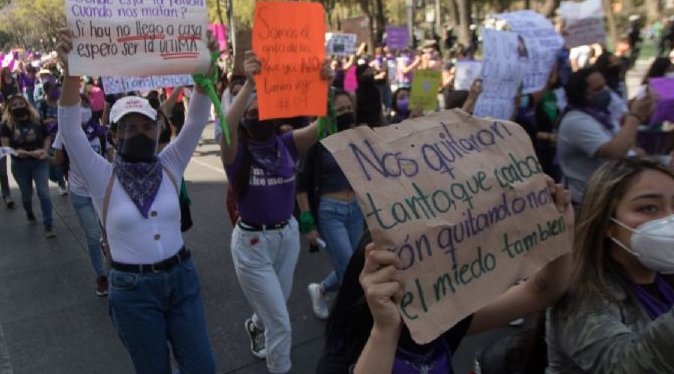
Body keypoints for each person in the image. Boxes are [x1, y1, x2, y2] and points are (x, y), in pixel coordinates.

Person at [57, 28, 216, 373]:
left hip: (182, 279)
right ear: (113, 135)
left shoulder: (171, 163)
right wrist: (70, 73)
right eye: (128, 128)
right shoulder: (102, 175)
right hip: (133, 292)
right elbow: (69, 131)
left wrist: (205, 70)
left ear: (159, 130)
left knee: (203, 367)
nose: (139, 133)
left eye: (146, 126)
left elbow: (197, 120)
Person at [317, 181, 574, 373]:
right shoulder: (340, 361)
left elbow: (540, 292)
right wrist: (385, 330)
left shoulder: (440, 323)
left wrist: (562, 232)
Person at [221, 51, 332, 373]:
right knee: (281, 323)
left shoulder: (286, 143)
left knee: (275, 308)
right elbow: (227, 125)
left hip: (287, 237)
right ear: (244, 118)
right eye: (250, 112)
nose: (256, 115)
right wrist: (250, 85)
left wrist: (325, 87)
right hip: (252, 245)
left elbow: (320, 128)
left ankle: (256, 325)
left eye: (261, 109)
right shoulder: (237, 153)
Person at [546, 158, 674, 373]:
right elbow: (625, 366)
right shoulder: (580, 297)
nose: (669, 219)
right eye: (649, 208)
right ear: (608, 224)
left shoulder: (664, 277)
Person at [297, 89, 363, 321]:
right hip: (330, 212)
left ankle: (322, 289)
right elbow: (301, 183)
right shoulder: (317, 140)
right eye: (340, 110)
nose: (346, 113)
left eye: (349, 108)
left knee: (356, 265)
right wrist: (308, 223)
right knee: (349, 271)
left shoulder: (356, 135)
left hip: (355, 210)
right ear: (329, 113)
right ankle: (347, 322)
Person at [556, 68, 654, 205]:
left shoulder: (601, 114)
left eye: (605, 86)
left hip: (609, 195)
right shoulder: (576, 122)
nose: (605, 92)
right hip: (588, 203)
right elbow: (615, 152)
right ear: (581, 95)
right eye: (598, 89)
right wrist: (635, 116)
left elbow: (623, 140)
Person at [50, 99, 112, 296]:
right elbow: (58, 159)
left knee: (111, 235)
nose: (82, 110)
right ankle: (101, 276)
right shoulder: (64, 133)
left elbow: (112, 158)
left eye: (84, 106)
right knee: (94, 236)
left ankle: (117, 269)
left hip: (103, 191)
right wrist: (43, 156)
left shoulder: (100, 132)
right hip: (80, 193)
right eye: (77, 106)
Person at [0, 94, 55, 238]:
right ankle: (29, 211)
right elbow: (5, 146)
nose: (18, 107)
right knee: (26, 194)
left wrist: (45, 150)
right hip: (20, 165)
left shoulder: (36, 121)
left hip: (39, 162)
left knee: (44, 193)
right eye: (14, 105)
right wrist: (16, 152)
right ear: (10, 108)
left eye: (20, 103)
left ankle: (48, 224)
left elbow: (47, 136)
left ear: (26, 105)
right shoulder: (6, 125)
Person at [37, 80, 68, 195]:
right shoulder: (42, 105)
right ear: (46, 91)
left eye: (57, 88)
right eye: (52, 89)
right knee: (57, 162)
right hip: (50, 139)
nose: (55, 91)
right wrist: (48, 121)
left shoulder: (62, 102)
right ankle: (61, 184)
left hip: (65, 136)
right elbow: (38, 122)